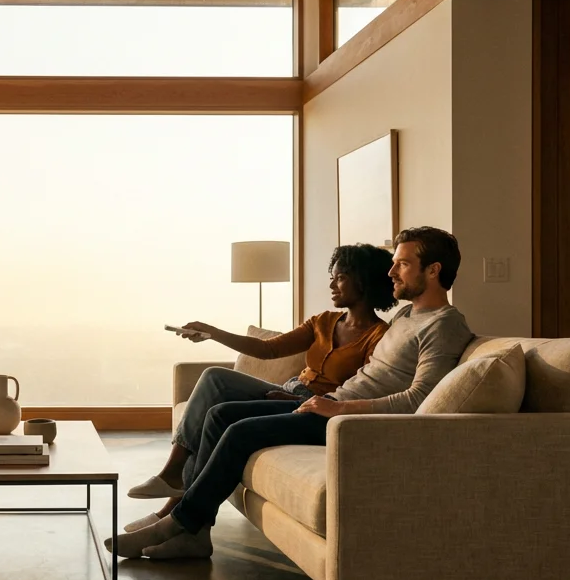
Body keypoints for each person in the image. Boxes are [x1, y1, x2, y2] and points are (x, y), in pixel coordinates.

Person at [109, 227, 475, 560]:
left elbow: (419, 399)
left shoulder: (444, 325)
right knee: (220, 414)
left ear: (433, 270)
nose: (392, 272)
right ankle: (196, 531)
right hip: (331, 406)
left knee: (239, 432)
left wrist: (340, 407)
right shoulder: (406, 317)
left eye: (403, 264)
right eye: (393, 264)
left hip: (351, 420)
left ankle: (178, 523)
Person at [124, 244, 397, 535]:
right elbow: (267, 350)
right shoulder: (324, 321)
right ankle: (173, 479)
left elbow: (361, 389)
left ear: (364, 281)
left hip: (317, 405)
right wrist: (213, 333)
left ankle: (173, 504)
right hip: (291, 389)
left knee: (218, 410)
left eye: (340, 277)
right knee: (215, 378)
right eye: (332, 276)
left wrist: (294, 399)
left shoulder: (380, 337)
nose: (331, 284)